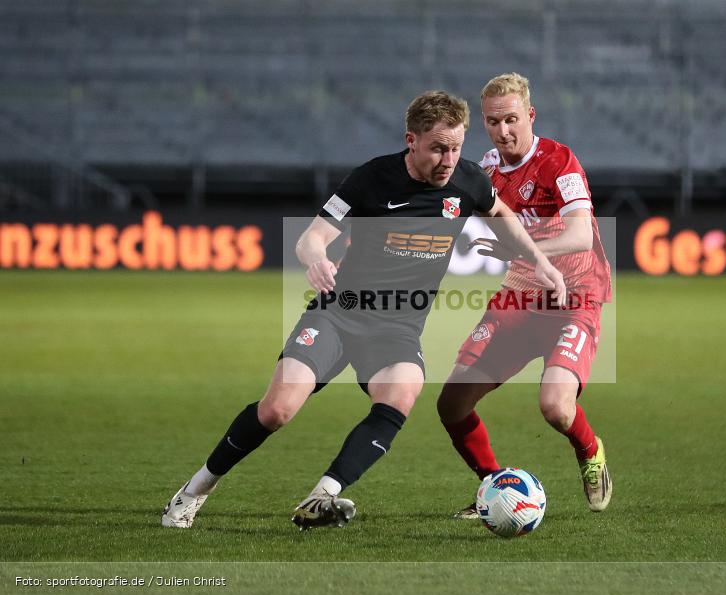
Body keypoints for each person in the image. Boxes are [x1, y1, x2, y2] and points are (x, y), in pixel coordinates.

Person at [161, 90, 565, 531]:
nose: (448, 159)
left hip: (397, 328)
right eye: (437, 148)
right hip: (340, 312)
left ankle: (323, 495)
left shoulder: (467, 181)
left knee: (403, 392)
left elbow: (502, 213)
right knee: (277, 409)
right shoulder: (371, 179)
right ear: (411, 140)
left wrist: (540, 262)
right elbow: (310, 237)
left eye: (456, 147)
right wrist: (316, 258)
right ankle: (194, 490)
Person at [436, 73, 613, 517]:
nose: (504, 131)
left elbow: (578, 236)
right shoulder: (489, 169)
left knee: (555, 406)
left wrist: (526, 252)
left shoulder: (559, 161)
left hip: (574, 296)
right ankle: (495, 489)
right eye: (494, 122)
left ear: (530, 115)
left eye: (512, 119)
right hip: (519, 297)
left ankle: (591, 452)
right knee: (452, 402)